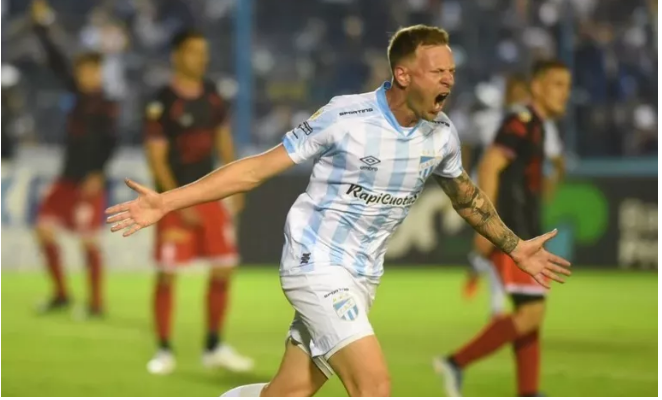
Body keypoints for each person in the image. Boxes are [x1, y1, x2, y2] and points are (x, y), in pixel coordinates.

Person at [106, 26, 571, 397]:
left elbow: (466, 197)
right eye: (438, 71)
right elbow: (256, 169)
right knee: (374, 387)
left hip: (363, 275)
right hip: (315, 263)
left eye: (451, 70)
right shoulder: (346, 117)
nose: (449, 79)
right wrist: (166, 201)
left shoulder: (442, 134)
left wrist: (515, 247)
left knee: (288, 392)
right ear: (403, 75)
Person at [434, 60, 572, 397]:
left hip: (525, 232)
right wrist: (487, 229)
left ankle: (528, 392)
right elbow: (490, 166)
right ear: (536, 86)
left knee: (531, 312)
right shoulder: (520, 121)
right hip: (513, 234)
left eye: (567, 86)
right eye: (557, 84)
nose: (564, 93)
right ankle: (455, 362)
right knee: (531, 313)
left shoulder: (537, 125)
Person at [141, 30, 252, 375]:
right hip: (173, 198)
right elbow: (156, 157)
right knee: (167, 274)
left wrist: (236, 186)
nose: (201, 58)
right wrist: (174, 201)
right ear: (176, 55)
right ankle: (163, 350)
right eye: (193, 52)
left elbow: (223, 140)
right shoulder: (162, 101)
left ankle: (213, 347)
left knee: (224, 267)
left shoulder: (214, 96)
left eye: (204, 52)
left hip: (209, 194)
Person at [31, 0, 118, 317]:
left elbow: (111, 142)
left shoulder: (107, 104)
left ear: (99, 73)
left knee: (88, 241)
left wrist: (97, 172)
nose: (86, 75)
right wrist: (42, 26)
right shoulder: (78, 95)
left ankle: (96, 303)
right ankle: (61, 294)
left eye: (92, 70)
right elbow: (56, 61)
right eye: (83, 70)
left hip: (89, 180)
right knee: (43, 230)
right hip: (66, 178)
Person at [461, 75, 566, 317]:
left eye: (520, 92)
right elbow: (474, 151)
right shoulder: (491, 120)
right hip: (490, 194)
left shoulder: (539, 124)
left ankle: (478, 266)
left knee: (500, 248)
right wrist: (464, 177)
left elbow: (558, 161)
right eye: (512, 91)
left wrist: (548, 187)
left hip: (519, 199)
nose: (516, 96)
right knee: (499, 246)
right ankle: (497, 304)